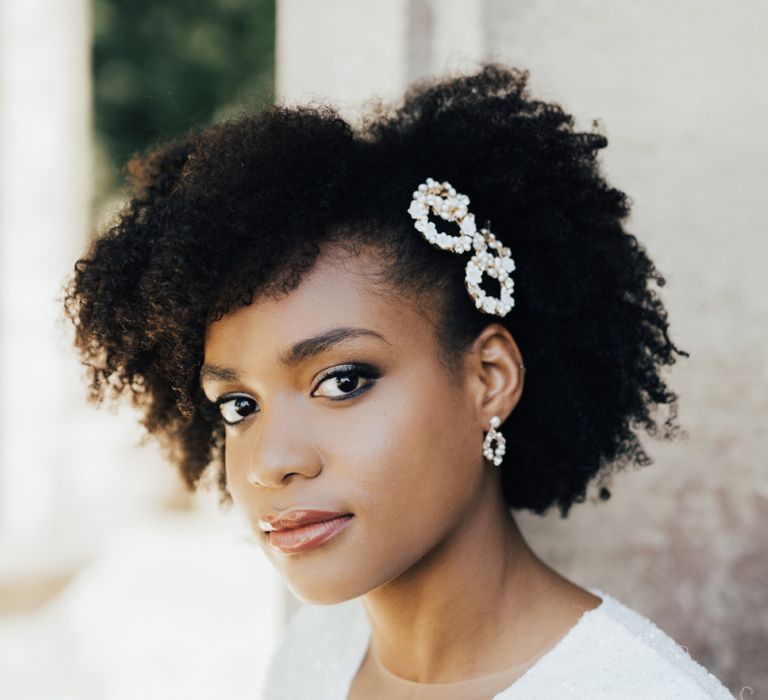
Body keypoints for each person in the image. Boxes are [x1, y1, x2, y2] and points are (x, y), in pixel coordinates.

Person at [63, 63, 735, 699]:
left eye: (343, 381)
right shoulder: (314, 659)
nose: (272, 462)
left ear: (489, 379)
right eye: (239, 405)